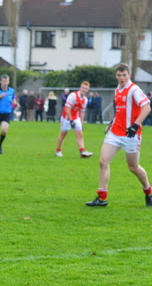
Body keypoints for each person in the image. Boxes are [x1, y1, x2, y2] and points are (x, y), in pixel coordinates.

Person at [86, 63, 152, 207]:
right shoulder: (117, 90)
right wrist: (113, 121)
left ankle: (148, 191)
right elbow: (120, 111)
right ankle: (102, 197)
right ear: (116, 76)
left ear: (129, 75)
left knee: (133, 167)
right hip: (115, 132)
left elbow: (146, 107)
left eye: (124, 75)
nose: (122, 78)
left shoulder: (134, 89)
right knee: (103, 161)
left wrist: (135, 125)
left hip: (130, 134)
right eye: (119, 75)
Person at [55, 81, 93, 158]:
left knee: (80, 134)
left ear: (87, 90)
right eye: (83, 88)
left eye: (86, 89)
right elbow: (67, 108)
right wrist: (70, 120)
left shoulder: (85, 99)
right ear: (80, 88)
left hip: (76, 117)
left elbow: (82, 111)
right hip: (66, 117)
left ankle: (82, 151)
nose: (84, 90)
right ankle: (58, 150)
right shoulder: (73, 95)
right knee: (63, 135)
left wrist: (82, 122)